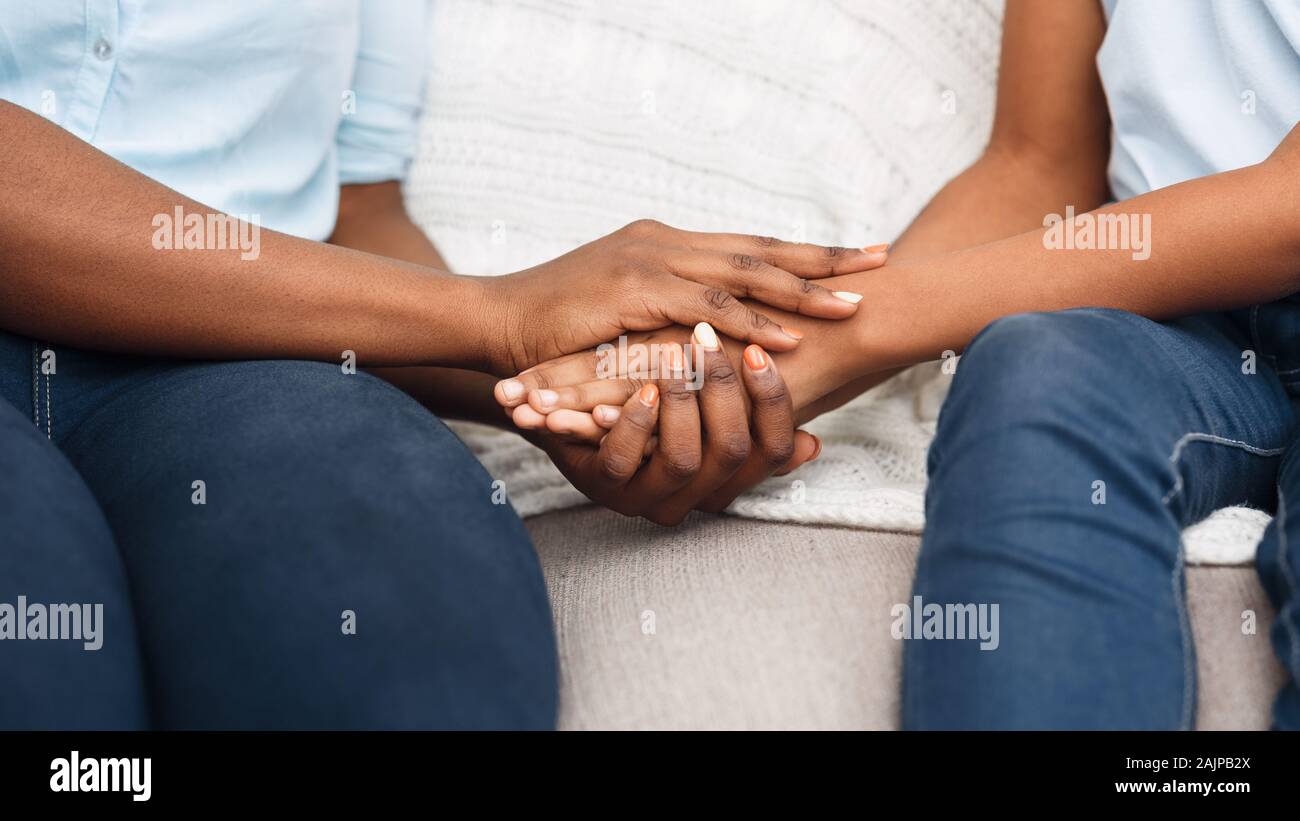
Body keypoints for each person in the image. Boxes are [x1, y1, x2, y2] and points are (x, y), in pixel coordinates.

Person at [0, 1, 889, 729]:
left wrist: (560, 395)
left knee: (407, 661)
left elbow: (359, 211)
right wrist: (498, 313)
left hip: (250, 351)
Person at [507, 0, 1300, 729]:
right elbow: (1038, 162)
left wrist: (839, 334)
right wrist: (762, 368)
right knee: (1036, 368)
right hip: (1178, 311)